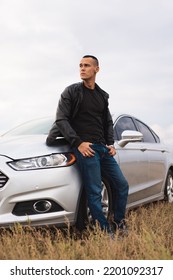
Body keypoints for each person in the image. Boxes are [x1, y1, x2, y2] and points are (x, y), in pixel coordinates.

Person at [46, 55, 129, 235]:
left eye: (87, 65)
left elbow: (107, 121)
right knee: (94, 190)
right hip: (86, 148)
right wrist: (79, 143)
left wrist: (110, 143)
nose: (82, 68)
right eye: (80, 66)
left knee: (122, 184)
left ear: (96, 69)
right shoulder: (71, 92)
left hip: (102, 148)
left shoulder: (101, 96)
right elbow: (61, 119)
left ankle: (119, 223)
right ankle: (104, 232)